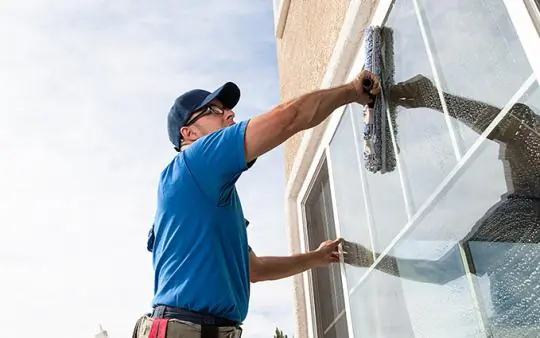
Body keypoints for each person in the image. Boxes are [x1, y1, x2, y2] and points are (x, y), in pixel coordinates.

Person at [132, 69, 381, 338]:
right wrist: (352, 91)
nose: (229, 114)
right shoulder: (194, 162)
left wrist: (316, 258)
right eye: (215, 110)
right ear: (189, 132)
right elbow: (289, 117)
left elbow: (256, 269)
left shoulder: (210, 198)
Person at [344, 74, 540, 337]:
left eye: (507, 150)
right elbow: (516, 130)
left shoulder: (517, 218)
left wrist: (371, 260)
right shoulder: (519, 216)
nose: (501, 155)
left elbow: (440, 271)